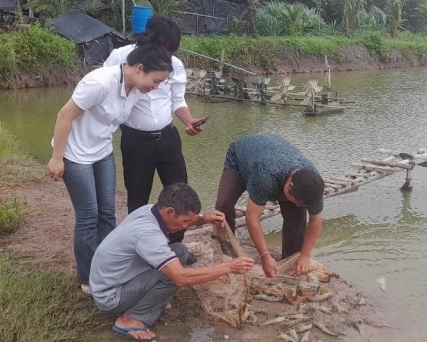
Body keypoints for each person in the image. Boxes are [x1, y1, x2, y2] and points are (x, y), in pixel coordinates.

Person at [47, 34, 174, 294]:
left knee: (107, 213)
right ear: (139, 68)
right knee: (88, 216)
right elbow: (64, 116)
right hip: (76, 154)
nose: (156, 86)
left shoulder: (135, 90)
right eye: (155, 80)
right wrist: (57, 158)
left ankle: (111, 269)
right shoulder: (99, 82)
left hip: (102, 152)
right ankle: (88, 277)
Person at [90, 183, 254, 342]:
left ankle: (151, 301)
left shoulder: (149, 210)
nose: (185, 226)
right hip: (111, 297)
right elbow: (181, 278)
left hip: (110, 282)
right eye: (184, 221)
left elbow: (182, 222)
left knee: (179, 251)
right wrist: (229, 267)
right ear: (169, 212)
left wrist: (204, 218)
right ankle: (130, 319)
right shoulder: (148, 234)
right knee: (173, 275)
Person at [104, 17, 206, 243]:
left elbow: (177, 101)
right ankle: (137, 245)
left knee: (181, 196)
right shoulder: (122, 58)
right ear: (148, 41)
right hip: (135, 142)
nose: (168, 56)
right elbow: (106, 93)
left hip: (167, 139)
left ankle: (176, 246)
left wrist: (188, 120)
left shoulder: (175, 66)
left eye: (172, 51)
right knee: (137, 197)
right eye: (164, 49)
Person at [215, 134, 325, 278]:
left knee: (297, 215)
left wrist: (305, 255)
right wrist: (265, 256)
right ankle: (228, 252)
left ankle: (290, 262)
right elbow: (252, 217)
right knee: (223, 204)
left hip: (272, 155)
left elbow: (316, 219)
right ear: (290, 185)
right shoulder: (266, 176)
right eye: (296, 200)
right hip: (240, 159)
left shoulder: (313, 184)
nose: (298, 204)